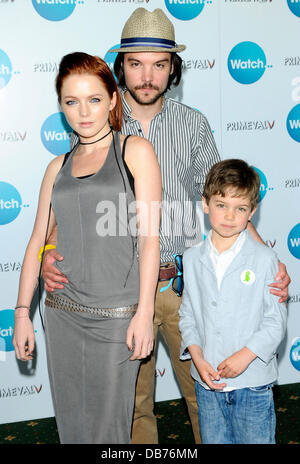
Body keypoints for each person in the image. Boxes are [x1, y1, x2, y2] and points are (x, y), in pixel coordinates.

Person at [40, 8, 290, 444]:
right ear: (121, 67)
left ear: (173, 68)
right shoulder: (97, 122)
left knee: (206, 394)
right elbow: (66, 204)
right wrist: (47, 254)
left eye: (159, 64)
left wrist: (271, 261)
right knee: (131, 406)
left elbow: (224, 199)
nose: (147, 75)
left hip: (185, 288)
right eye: (136, 63)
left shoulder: (192, 125)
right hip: (117, 294)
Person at [12, 52, 161, 444]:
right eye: (71, 101)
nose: (83, 112)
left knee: (109, 432)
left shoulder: (135, 152)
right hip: (61, 315)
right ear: (60, 105)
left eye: (94, 99)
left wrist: (145, 313)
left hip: (116, 318)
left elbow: (149, 239)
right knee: (73, 427)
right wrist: (22, 312)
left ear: (112, 99)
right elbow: (36, 242)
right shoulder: (56, 167)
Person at [179, 159, 287, 444]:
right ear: (205, 204)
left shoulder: (266, 259)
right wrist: (197, 357)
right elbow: (188, 315)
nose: (229, 216)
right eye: (221, 205)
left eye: (240, 209)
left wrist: (246, 355)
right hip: (208, 383)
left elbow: (276, 321)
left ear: (252, 212)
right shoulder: (191, 259)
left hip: (252, 384)